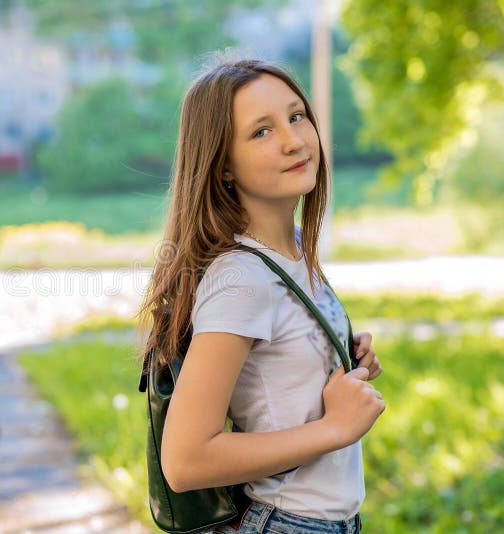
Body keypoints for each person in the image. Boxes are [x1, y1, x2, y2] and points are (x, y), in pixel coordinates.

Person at [139, 57, 385, 534]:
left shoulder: (292, 248)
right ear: (223, 167)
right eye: (261, 132)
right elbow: (186, 460)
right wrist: (334, 428)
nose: (294, 140)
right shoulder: (242, 279)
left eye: (296, 116)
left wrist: (341, 360)